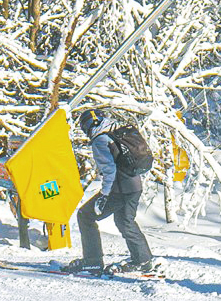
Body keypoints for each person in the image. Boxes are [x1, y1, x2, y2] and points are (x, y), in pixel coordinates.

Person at [66, 110, 163, 276]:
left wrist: (104, 195)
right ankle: (143, 261)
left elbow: (109, 171)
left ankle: (92, 262)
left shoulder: (100, 140)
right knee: (125, 221)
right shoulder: (118, 132)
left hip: (118, 190)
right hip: (134, 187)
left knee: (85, 215)